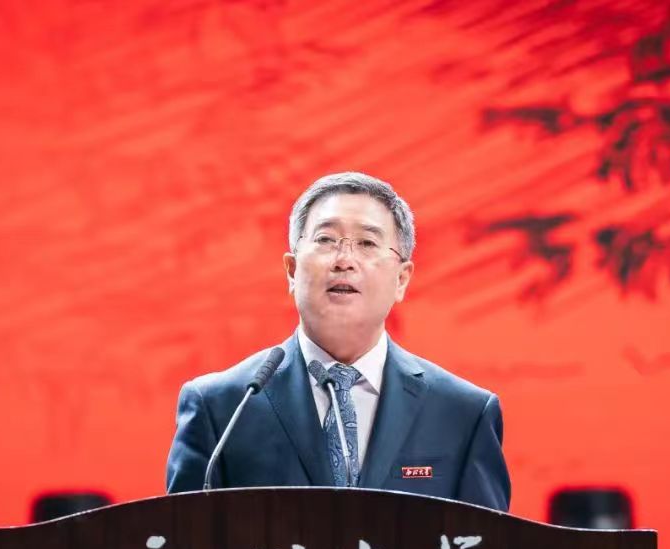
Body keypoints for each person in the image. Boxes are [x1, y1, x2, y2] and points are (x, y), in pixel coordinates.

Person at [165, 172, 511, 510]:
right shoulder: (223, 407)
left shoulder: (462, 414)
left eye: (367, 243)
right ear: (292, 270)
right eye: (326, 240)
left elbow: (485, 546)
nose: (344, 261)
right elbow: (186, 541)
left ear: (402, 279)